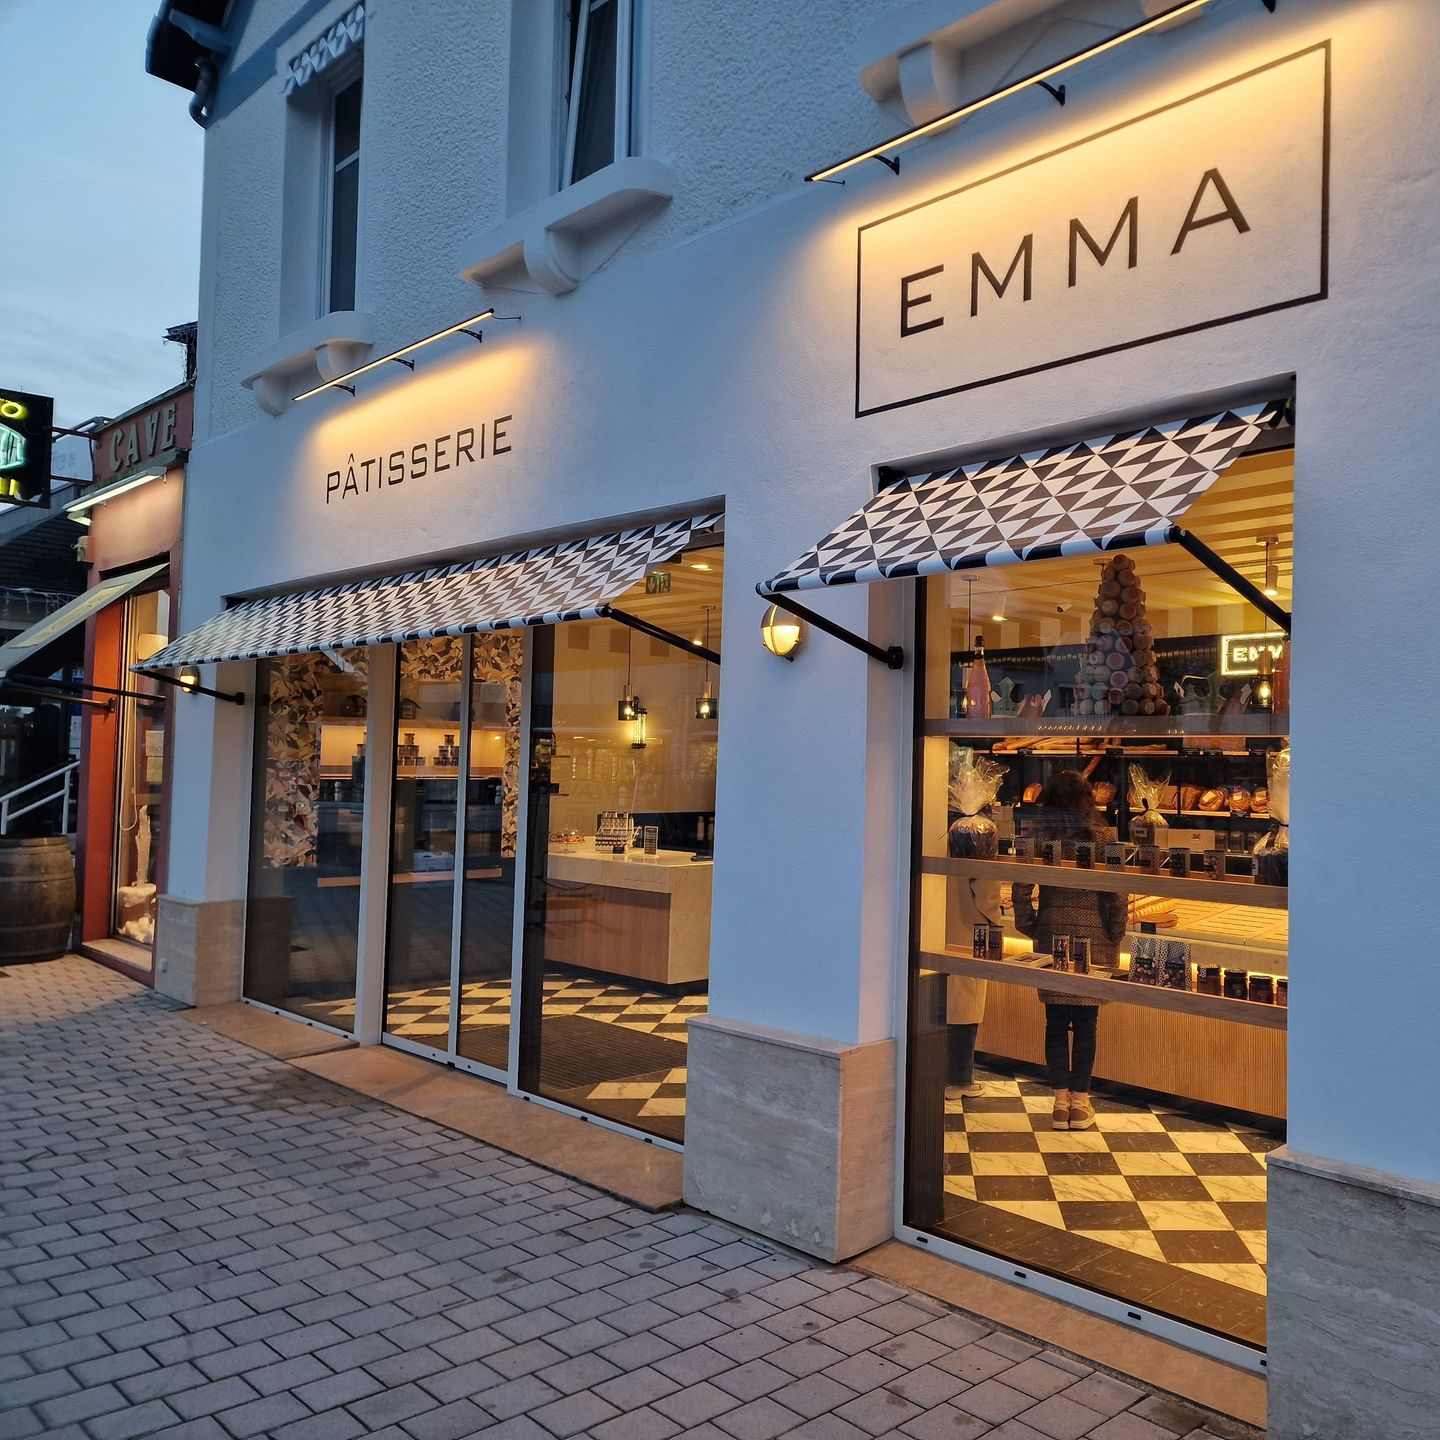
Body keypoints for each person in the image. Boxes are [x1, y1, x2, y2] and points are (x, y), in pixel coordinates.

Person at [1010, 771, 1127, 1131]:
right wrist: (1115, 934)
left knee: (1056, 1022)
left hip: (1051, 935)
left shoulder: (1040, 837)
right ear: (1089, 799)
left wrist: (1030, 925)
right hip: (1095, 939)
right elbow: (1117, 892)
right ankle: (1081, 1102)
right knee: (1087, 1023)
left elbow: (1020, 888)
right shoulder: (1105, 836)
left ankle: (1060, 1103)